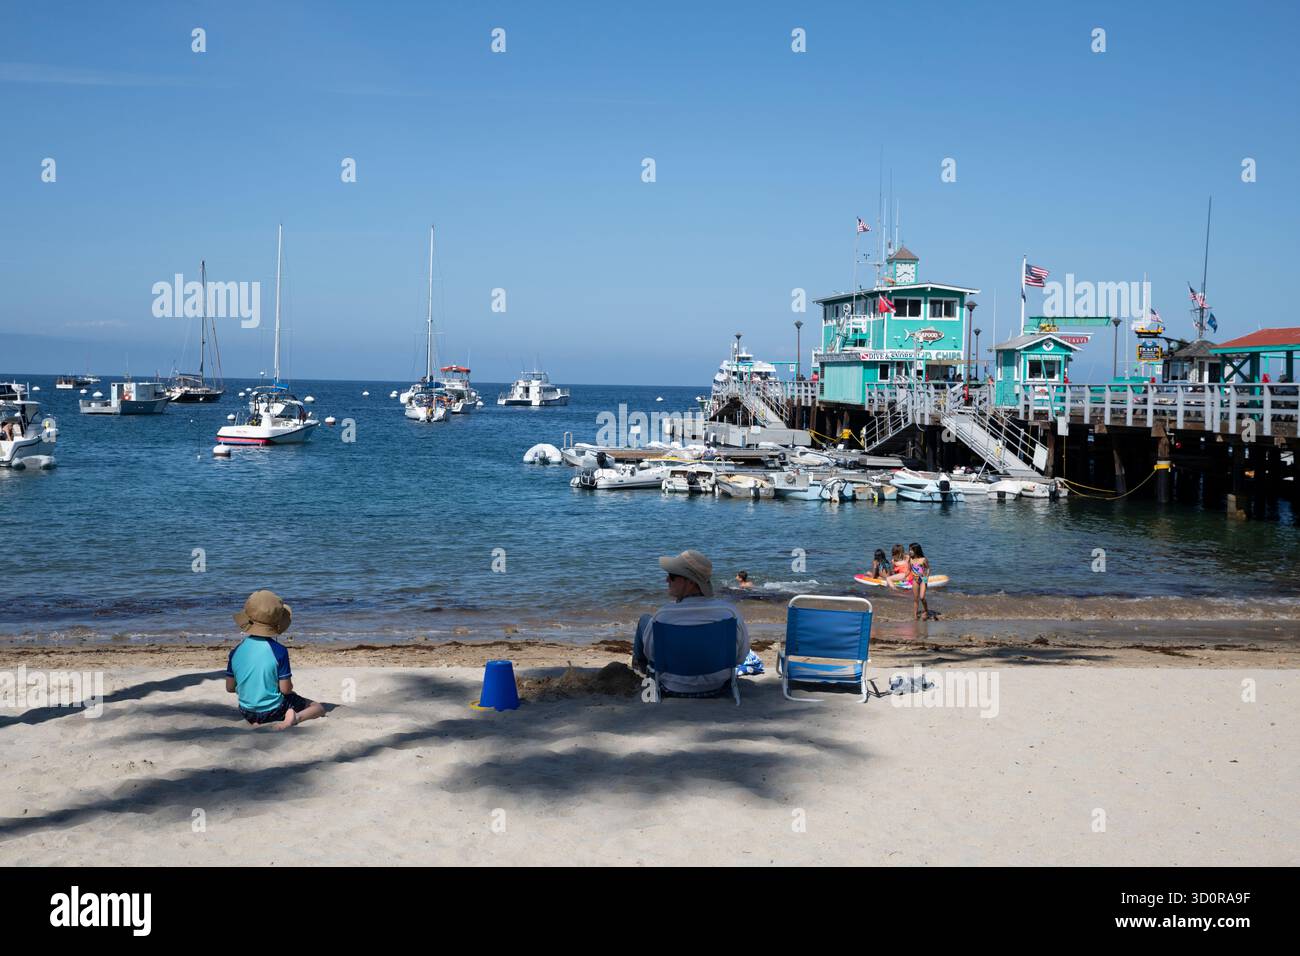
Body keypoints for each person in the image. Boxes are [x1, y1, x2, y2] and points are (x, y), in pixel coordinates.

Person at [631, 550, 750, 695]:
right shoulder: (729, 613)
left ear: (690, 582)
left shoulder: (663, 616)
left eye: (672, 576)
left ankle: (642, 670)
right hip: (718, 684)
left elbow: (652, 655)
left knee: (645, 619)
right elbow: (740, 656)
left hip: (673, 685)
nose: (667, 580)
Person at [225, 590, 325, 730]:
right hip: (273, 710)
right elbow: (285, 689)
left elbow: (230, 688)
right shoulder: (279, 650)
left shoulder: (235, 651)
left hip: (246, 711)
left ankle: (257, 721)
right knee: (317, 707)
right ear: (277, 622)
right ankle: (295, 718)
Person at [907, 542, 931, 621]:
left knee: (922, 597)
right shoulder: (911, 560)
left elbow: (928, 568)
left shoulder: (923, 559)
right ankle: (915, 615)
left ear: (916, 550)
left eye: (911, 550)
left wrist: (926, 577)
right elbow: (909, 570)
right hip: (915, 580)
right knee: (915, 598)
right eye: (909, 550)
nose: (910, 551)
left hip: (923, 579)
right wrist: (904, 577)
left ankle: (926, 610)